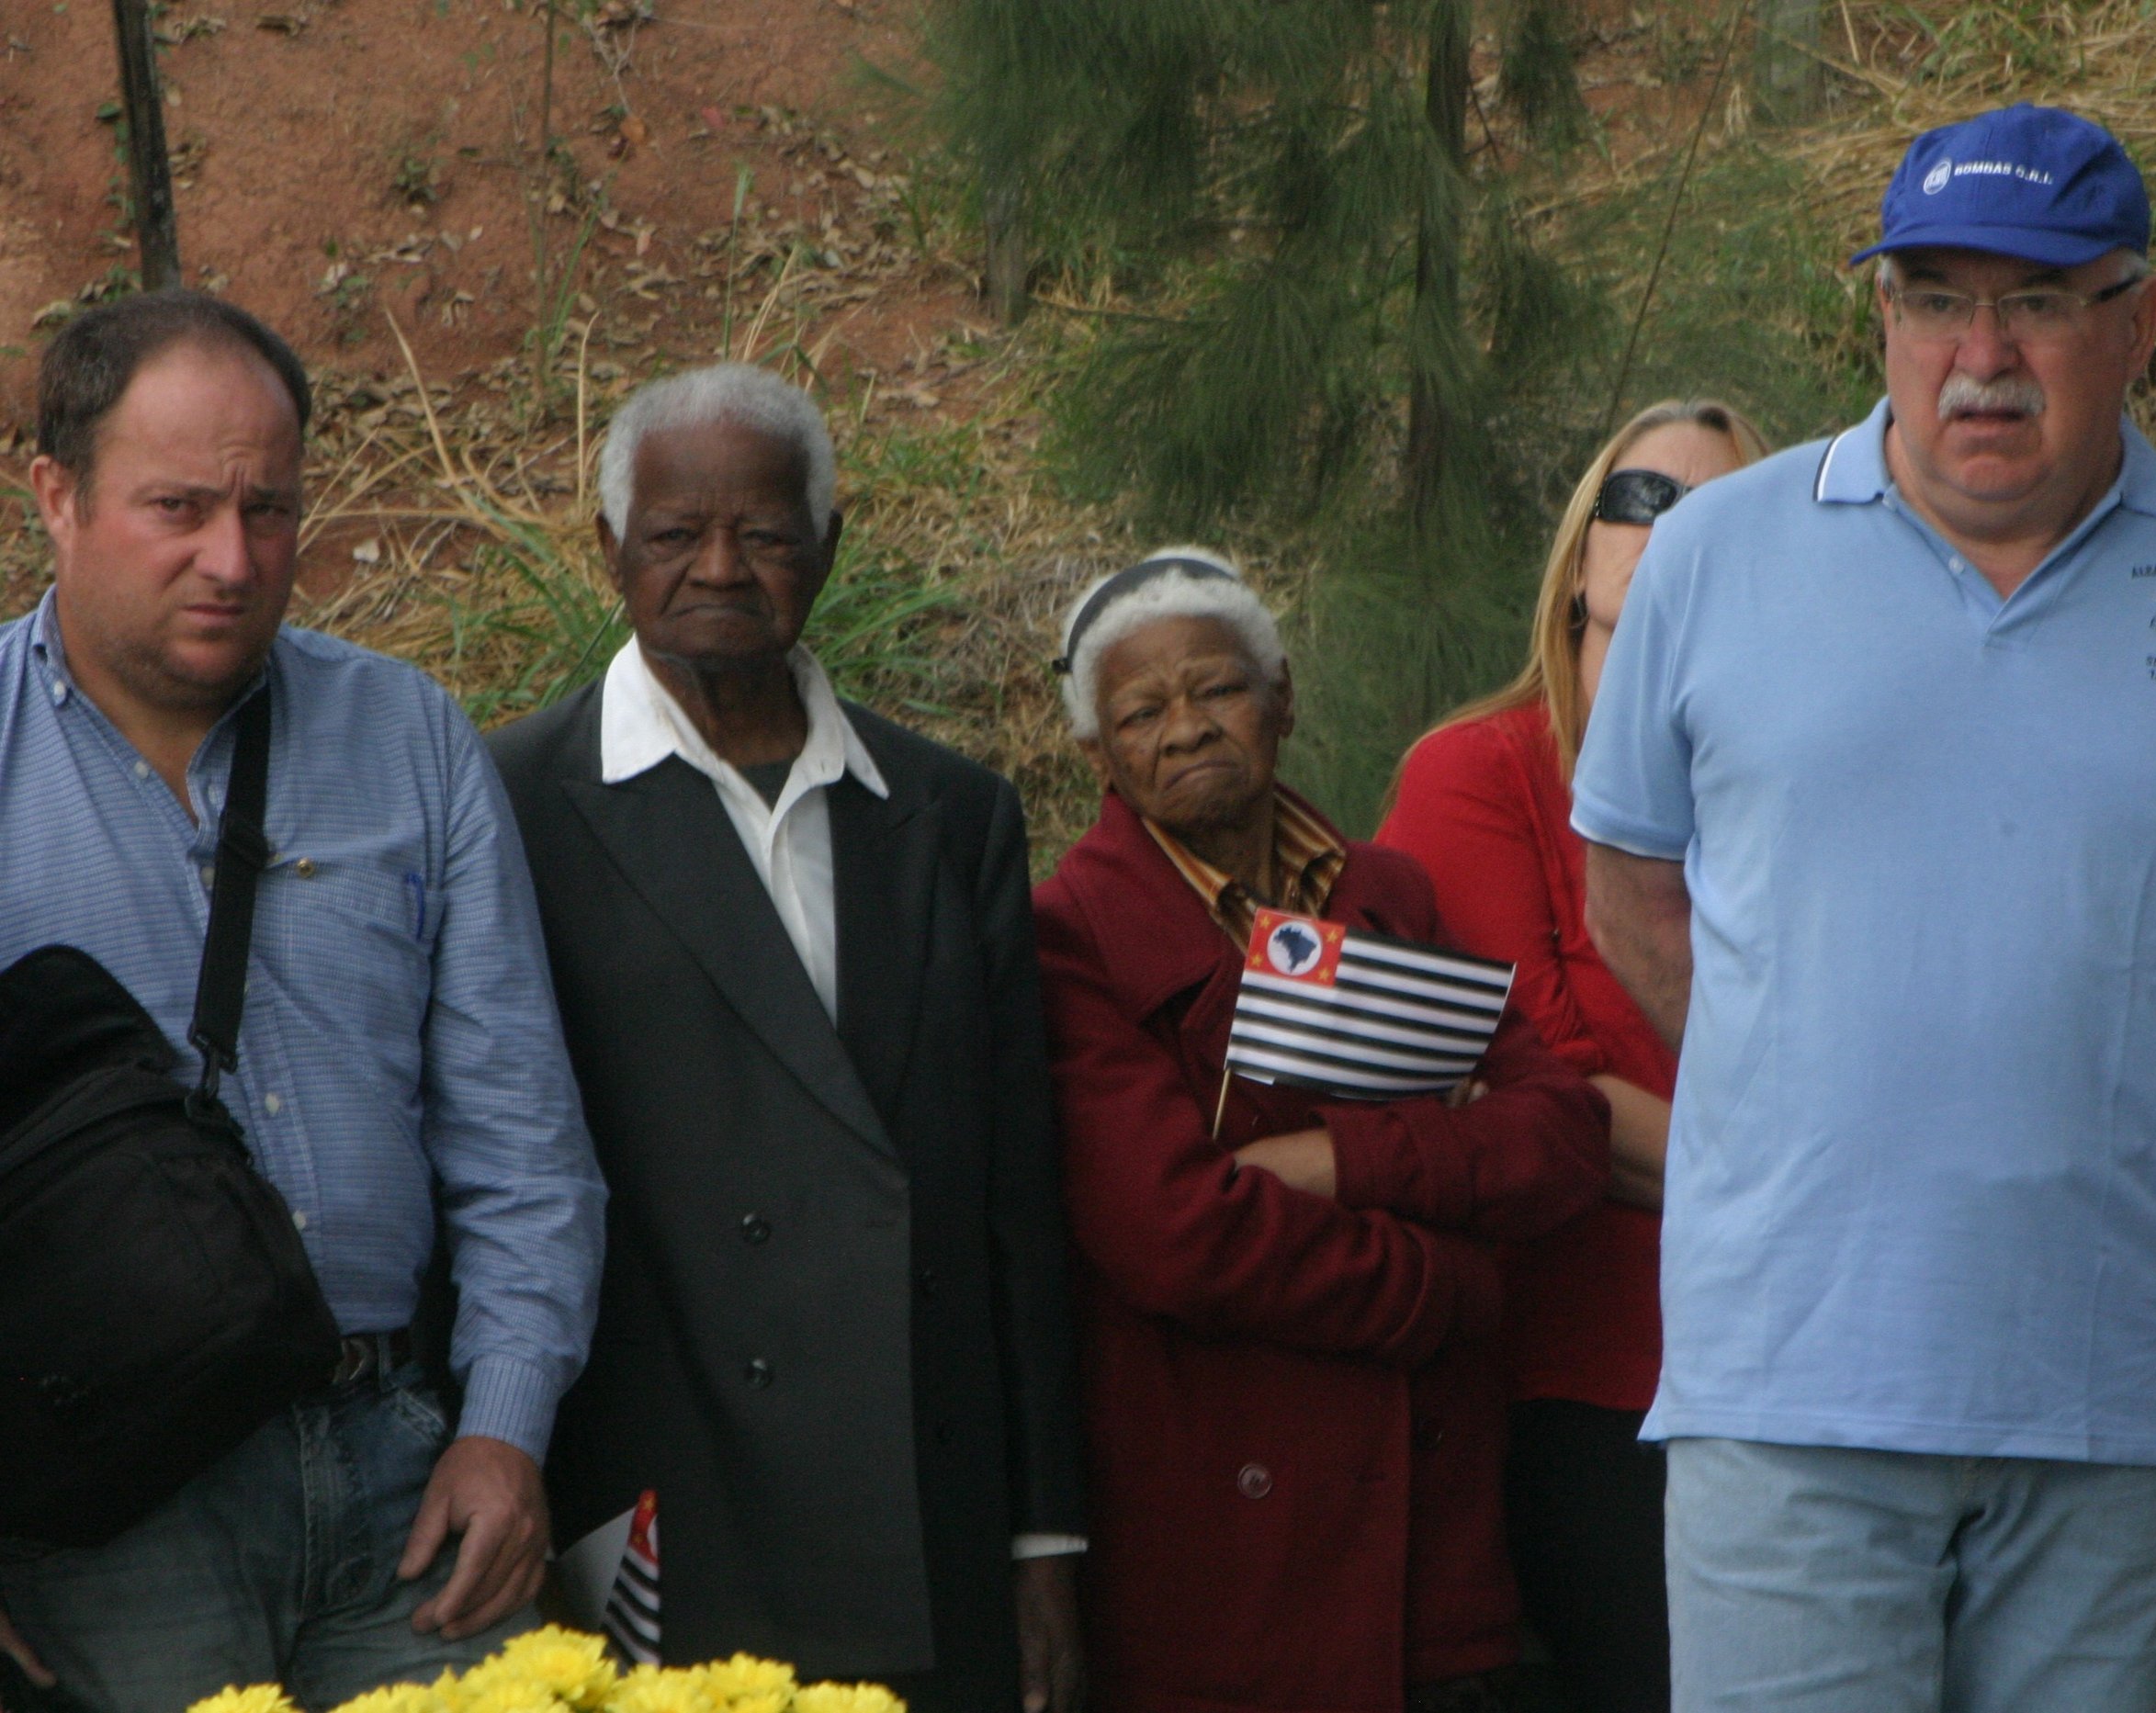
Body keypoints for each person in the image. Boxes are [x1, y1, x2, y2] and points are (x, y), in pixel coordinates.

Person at [1572, 104, 2156, 1713]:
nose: (1983, 352)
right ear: (1879, 312)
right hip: (1791, 1381)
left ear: (2142, 320)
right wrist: (1829, 1059)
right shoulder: (1711, 563)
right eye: (1935, 295)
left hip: (2117, 1393)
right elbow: (1640, 912)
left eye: (2038, 299)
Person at [0, 292, 604, 1710]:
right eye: (178, 508)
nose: (232, 559)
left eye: (269, 509)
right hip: (102, 1516)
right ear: (55, 495)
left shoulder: (408, 736)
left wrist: (506, 1430)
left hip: (409, 1479)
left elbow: (521, 1134)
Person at [486, 364, 1085, 1709]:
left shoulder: (949, 813)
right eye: (672, 534)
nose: (718, 567)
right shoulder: (507, 802)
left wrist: (1042, 1539)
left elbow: (1012, 1205)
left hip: (921, 1504)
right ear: (607, 552)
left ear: (829, 545)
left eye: (761, 533)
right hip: (662, 1508)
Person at [1031, 549, 1610, 1713]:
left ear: (1283, 697)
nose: (1187, 727)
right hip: (1234, 1573)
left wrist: (1343, 1160)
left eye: (1217, 688)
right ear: (1097, 755)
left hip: (1435, 1566)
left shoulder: (1386, 896)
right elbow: (1180, 1230)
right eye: (1142, 710)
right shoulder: (1069, 937)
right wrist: (1446, 1286)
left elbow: (1560, 1131)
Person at [1377, 399, 1765, 1713]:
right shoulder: (1476, 776)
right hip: (1591, 1380)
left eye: (1720, 509)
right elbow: (1549, 1108)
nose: (1675, 533)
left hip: (1799, 1371)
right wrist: (1824, 1173)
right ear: (1580, 556)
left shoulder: (1799, 792)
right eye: (1645, 499)